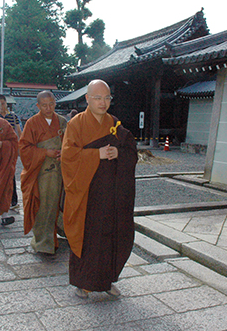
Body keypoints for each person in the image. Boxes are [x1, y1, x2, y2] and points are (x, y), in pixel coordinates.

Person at [61, 79, 137, 298]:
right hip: (88, 192)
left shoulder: (115, 123)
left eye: (107, 98)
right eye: (97, 98)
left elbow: (130, 150)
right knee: (89, 237)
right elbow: (68, 157)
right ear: (87, 99)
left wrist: (118, 154)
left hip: (111, 193)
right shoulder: (76, 124)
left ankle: (106, 281)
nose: (103, 103)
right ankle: (83, 282)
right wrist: (97, 154)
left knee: (111, 236)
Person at [19, 91, 67, 254]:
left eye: (52, 104)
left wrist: (64, 153)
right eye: (44, 105)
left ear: (55, 103)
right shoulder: (32, 123)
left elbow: (70, 143)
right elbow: (24, 148)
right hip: (41, 172)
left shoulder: (61, 121)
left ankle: (54, 235)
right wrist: (45, 152)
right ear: (38, 106)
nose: (49, 108)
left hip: (60, 171)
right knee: (43, 205)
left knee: (57, 203)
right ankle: (42, 241)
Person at [0, 94, 22, 210]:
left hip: (10, 148)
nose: (1, 106)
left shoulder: (13, 116)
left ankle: (13, 200)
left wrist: (21, 145)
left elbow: (19, 131)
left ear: (6, 103)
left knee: (10, 174)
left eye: (3, 103)